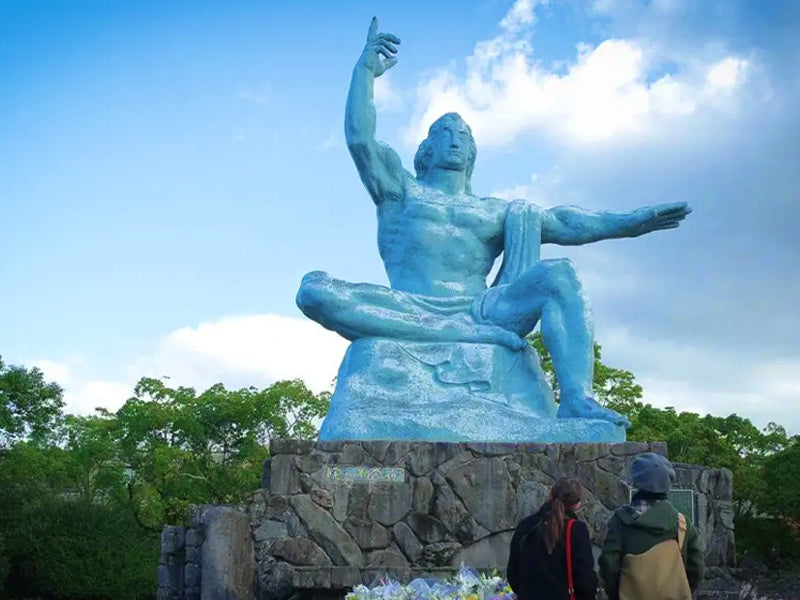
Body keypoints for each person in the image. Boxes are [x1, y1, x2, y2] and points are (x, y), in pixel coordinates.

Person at [296, 17, 692, 426]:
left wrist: (630, 222)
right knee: (314, 291)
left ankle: (576, 398)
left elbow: (564, 222)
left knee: (559, 275)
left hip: (481, 310)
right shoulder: (400, 190)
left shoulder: (495, 211)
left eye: (464, 135)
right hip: (409, 304)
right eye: (444, 133)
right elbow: (361, 140)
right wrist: (364, 73)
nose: (455, 139)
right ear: (425, 149)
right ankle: (456, 336)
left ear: (473, 154)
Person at [599, 453, 705, 600]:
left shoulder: (620, 521)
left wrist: (618, 593)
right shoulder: (682, 524)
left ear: (636, 481)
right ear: (667, 484)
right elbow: (697, 569)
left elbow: (608, 565)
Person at [507, 478, 598, 600]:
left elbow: (513, 573)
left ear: (550, 494)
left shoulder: (526, 526)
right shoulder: (577, 531)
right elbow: (585, 579)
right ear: (577, 504)